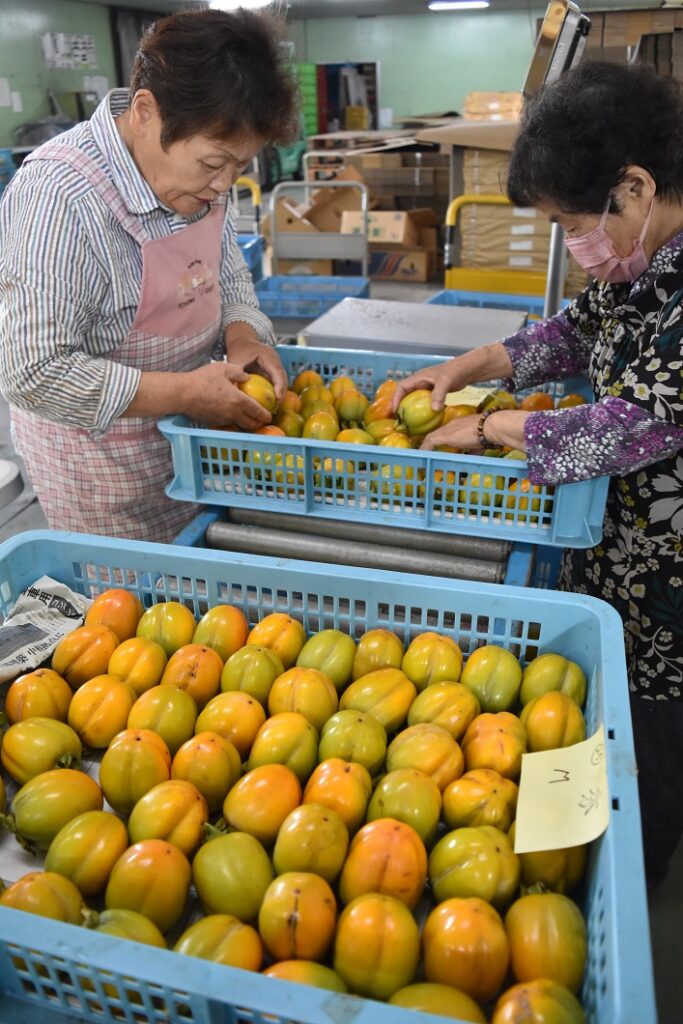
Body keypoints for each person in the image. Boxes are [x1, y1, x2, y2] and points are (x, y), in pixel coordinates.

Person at [393, 61, 683, 884]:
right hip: (619, 547)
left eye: (571, 222)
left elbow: (633, 423)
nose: (571, 246)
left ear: (632, 187)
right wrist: (471, 363)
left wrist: (489, 425)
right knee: (620, 702)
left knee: (655, 731)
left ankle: (639, 868)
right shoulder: (640, 263)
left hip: (669, 576)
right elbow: (570, 333)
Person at [0, 8, 296, 543]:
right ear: (144, 112)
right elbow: (33, 372)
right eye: (213, 165)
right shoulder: (61, 197)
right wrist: (186, 391)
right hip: (103, 474)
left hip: (196, 445)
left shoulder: (202, 184)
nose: (224, 185)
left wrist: (243, 334)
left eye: (240, 167)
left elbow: (227, 277)